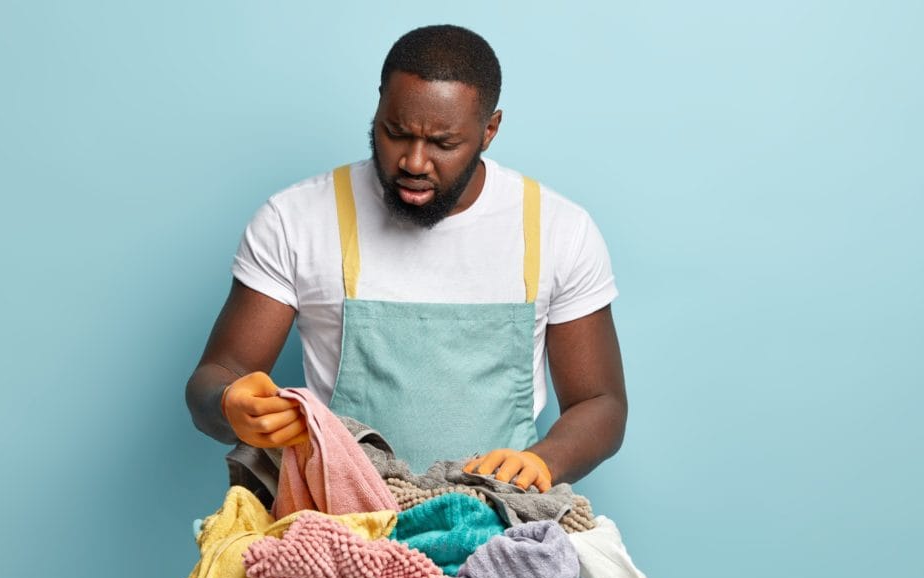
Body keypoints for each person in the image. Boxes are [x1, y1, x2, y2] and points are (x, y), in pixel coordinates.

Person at [186, 24, 626, 492]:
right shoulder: (294, 219)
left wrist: (546, 460)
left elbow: (600, 401)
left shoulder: (559, 229)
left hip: (500, 518)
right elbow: (217, 375)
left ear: (489, 130)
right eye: (395, 133)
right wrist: (230, 404)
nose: (414, 162)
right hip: (343, 518)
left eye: (443, 143)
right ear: (378, 105)